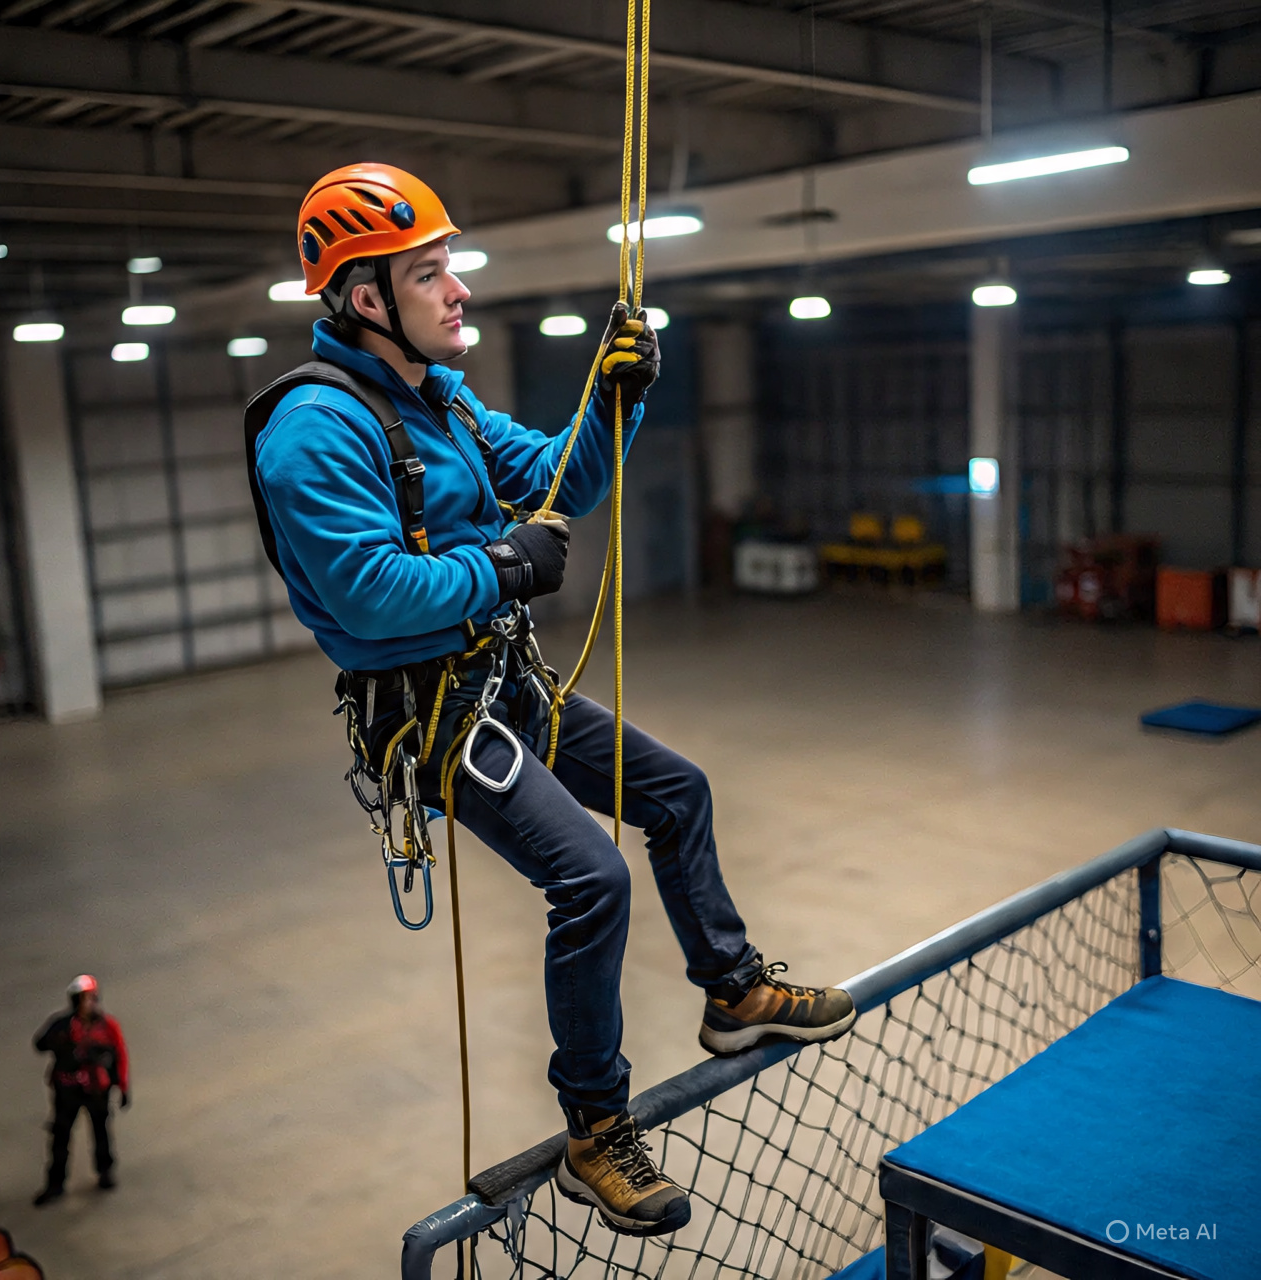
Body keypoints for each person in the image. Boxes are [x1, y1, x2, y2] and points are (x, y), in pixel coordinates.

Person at [247, 163, 856, 1238]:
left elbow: (558, 479)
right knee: (589, 877)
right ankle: (594, 1127)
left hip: (506, 681)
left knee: (676, 791)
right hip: (437, 716)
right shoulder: (313, 429)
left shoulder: (442, 400)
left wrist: (612, 399)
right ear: (365, 297)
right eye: (430, 274)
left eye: (451, 267)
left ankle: (730, 991)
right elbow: (366, 591)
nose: (459, 291)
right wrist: (504, 567)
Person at [32, 975, 129, 1206]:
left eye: (92, 998)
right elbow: (40, 1044)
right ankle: (55, 1184)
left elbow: (119, 1056)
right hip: (67, 1091)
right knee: (61, 1137)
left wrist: (123, 1086)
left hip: (96, 1090)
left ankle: (105, 1171)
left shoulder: (107, 1026)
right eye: (85, 999)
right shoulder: (62, 1025)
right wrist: (60, 1042)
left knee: (101, 1132)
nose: (90, 1003)